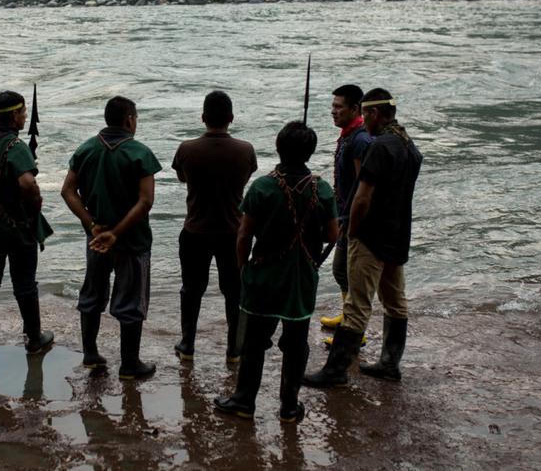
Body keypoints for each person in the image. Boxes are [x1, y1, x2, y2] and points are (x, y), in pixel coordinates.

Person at [213, 121, 338, 423]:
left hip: (264, 275)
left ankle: (244, 401)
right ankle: (289, 407)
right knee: (296, 344)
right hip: (302, 278)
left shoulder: (263, 187)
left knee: (254, 342)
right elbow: (333, 235)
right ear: (310, 151)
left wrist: (244, 268)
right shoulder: (321, 188)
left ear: (278, 148)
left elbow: (243, 236)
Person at [304, 88, 422, 387]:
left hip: (371, 237)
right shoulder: (409, 146)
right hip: (398, 235)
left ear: (373, 114)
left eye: (366, 114)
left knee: (357, 305)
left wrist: (352, 231)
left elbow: (362, 198)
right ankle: (389, 363)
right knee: (395, 301)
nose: (364, 119)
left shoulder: (379, 147)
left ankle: (335, 371)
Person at [61, 96, 162, 379]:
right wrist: (116, 233)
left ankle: (91, 354)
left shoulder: (86, 149)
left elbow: (67, 191)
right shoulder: (139, 153)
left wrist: (92, 224)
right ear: (129, 119)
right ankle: (130, 364)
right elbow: (145, 202)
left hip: (96, 237)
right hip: (131, 240)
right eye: (136, 118)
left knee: (93, 294)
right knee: (131, 302)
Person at [171, 91, 257, 362]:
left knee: (191, 289)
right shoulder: (245, 150)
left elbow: (182, 177)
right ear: (231, 118)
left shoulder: (187, 149)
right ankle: (234, 348)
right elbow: (246, 176)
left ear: (203, 117)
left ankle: (188, 344)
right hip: (233, 231)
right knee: (234, 291)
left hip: (196, 230)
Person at [0, 90, 54, 354]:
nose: (25, 117)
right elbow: (28, 183)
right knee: (25, 282)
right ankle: (34, 338)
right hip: (17, 224)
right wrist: (36, 204)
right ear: (15, 115)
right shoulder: (17, 147)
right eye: (24, 113)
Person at [319, 85, 373, 342]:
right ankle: (347, 316)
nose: (333, 111)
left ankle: (354, 330)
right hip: (344, 214)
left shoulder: (360, 140)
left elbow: (365, 184)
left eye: (339, 107)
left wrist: (352, 221)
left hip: (354, 218)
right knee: (342, 270)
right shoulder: (349, 135)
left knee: (346, 270)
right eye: (333, 106)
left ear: (355, 109)